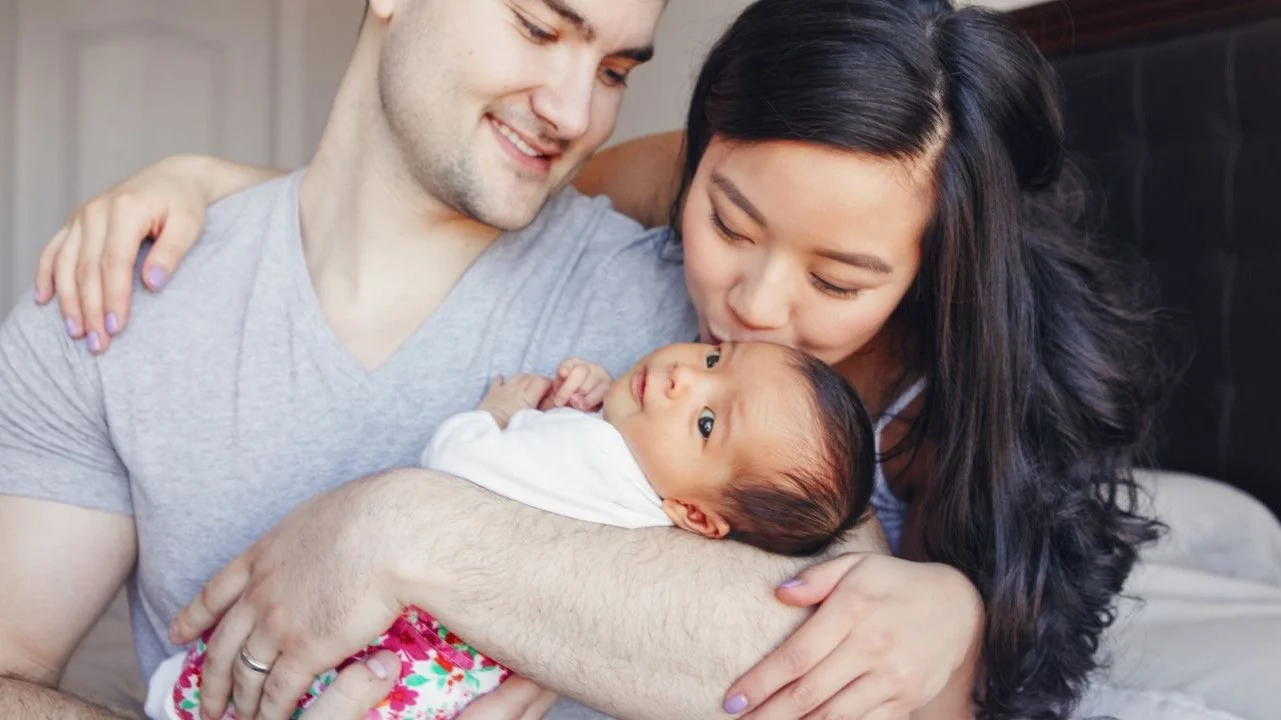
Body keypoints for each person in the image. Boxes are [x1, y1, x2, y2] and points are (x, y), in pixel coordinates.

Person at [1, 1, 1167, 720]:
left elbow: (839, 651)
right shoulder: (122, 299)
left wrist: (406, 530)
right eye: (537, 21)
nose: (754, 312)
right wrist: (224, 192)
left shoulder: (703, 348)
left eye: (615, 67)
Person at [153, 342, 878, 720]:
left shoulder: (595, 457)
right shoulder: (658, 509)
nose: (686, 377)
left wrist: (496, 412)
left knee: (293, 666)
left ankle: (179, 698)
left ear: (695, 516)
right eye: (716, 358)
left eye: (708, 422)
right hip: (463, 683)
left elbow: (458, 468)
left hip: (408, 640)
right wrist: (606, 398)